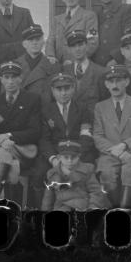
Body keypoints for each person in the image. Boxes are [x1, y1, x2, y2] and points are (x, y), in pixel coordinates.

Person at [0, 61, 41, 210]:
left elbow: (35, 131)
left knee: (5, 150)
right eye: (6, 77)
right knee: (7, 154)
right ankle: (9, 206)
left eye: (14, 77)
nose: (10, 81)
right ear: (1, 79)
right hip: (1, 151)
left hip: (23, 150)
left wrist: (8, 136)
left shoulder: (32, 99)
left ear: (21, 78)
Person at [30, 72, 97, 209]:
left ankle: (87, 208)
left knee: (88, 171)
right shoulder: (46, 110)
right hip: (55, 153)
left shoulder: (83, 109)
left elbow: (86, 135)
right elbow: (44, 139)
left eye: (67, 88)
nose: (63, 93)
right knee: (39, 173)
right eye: (59, 89)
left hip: (78, 153)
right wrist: (54, 159)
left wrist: (74, 157)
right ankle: (39, 210)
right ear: (52, 91)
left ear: (73, 89)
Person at [93, 65, 131, 208]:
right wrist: (117, 152)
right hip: (109, 153)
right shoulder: (100, 107)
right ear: (106, 84)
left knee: (128, 170)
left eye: (118, 81)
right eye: (111, 82)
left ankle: (125, 210)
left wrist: (125, 146)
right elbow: (98, 136)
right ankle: (117, 208)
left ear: (126, 82)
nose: (115, 85)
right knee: (106, 172)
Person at [41, 140, 108, 211]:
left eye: (73, 157)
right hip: (62, 207)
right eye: (66, 157)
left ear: (79, 156)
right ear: (59, 157)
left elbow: (95, 192)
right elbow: (48, 198)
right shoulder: (53, 174)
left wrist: (92, 208)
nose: (69, 161)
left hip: (83, 206)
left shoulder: (86, 170)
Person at [45, 0, 98, 65]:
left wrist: (75, 60)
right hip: (58, 65)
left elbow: (92, 42)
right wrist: (50, 56)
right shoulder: (57, 19)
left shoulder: (89, 16)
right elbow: (50, 41)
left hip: (80, 64)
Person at [93, 0, 131, 66]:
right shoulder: (95, 14)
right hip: (97, 63)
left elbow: (130, 37)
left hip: (119, 62)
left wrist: (117, 59)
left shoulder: (127, 9)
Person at [61, 30, 108, 116]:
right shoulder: (64, 72)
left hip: (93, 121)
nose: (77, 49)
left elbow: (104, 104)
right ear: (68, 49)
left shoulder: (100, 72)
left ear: (86, 45)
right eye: (73, 46)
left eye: (80, 45)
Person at [14, 24, 58, 100]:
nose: (35, 43)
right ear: (24, 44)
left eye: (38, 39)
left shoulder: (53, 65)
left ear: (43, 42)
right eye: (31, 40)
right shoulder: (15, 65)